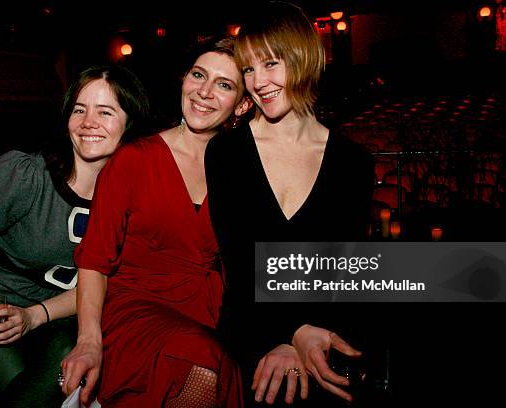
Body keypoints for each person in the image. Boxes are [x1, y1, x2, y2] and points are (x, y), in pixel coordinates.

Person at [0, 64, 151, 408]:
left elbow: (104, 282)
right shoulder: (25, 175)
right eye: (79, 110)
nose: (88, 122)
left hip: (52, 311)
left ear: (130, 124)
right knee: (12, 385)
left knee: (71, 361)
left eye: (105, 112)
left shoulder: (135, 200)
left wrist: (35, 314)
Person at [60, 37, 253, 408]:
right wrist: (88, 341)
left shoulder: (242, 171)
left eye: (224, 84)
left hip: (212, 312)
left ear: (242, 104)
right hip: (136, 309)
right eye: (198, 75)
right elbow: (94, 260)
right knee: (201, 365)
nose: (204, 92)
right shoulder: (133, 160)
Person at [205, 2, 375, 406]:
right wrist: (287, 335)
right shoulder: (227, 152)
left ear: (302, 60)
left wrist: (308, 334)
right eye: (249, 69)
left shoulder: (353, 162)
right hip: (248, 331)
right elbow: (243, 266)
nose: (258, 81)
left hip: (326, 330)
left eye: (270, 64)